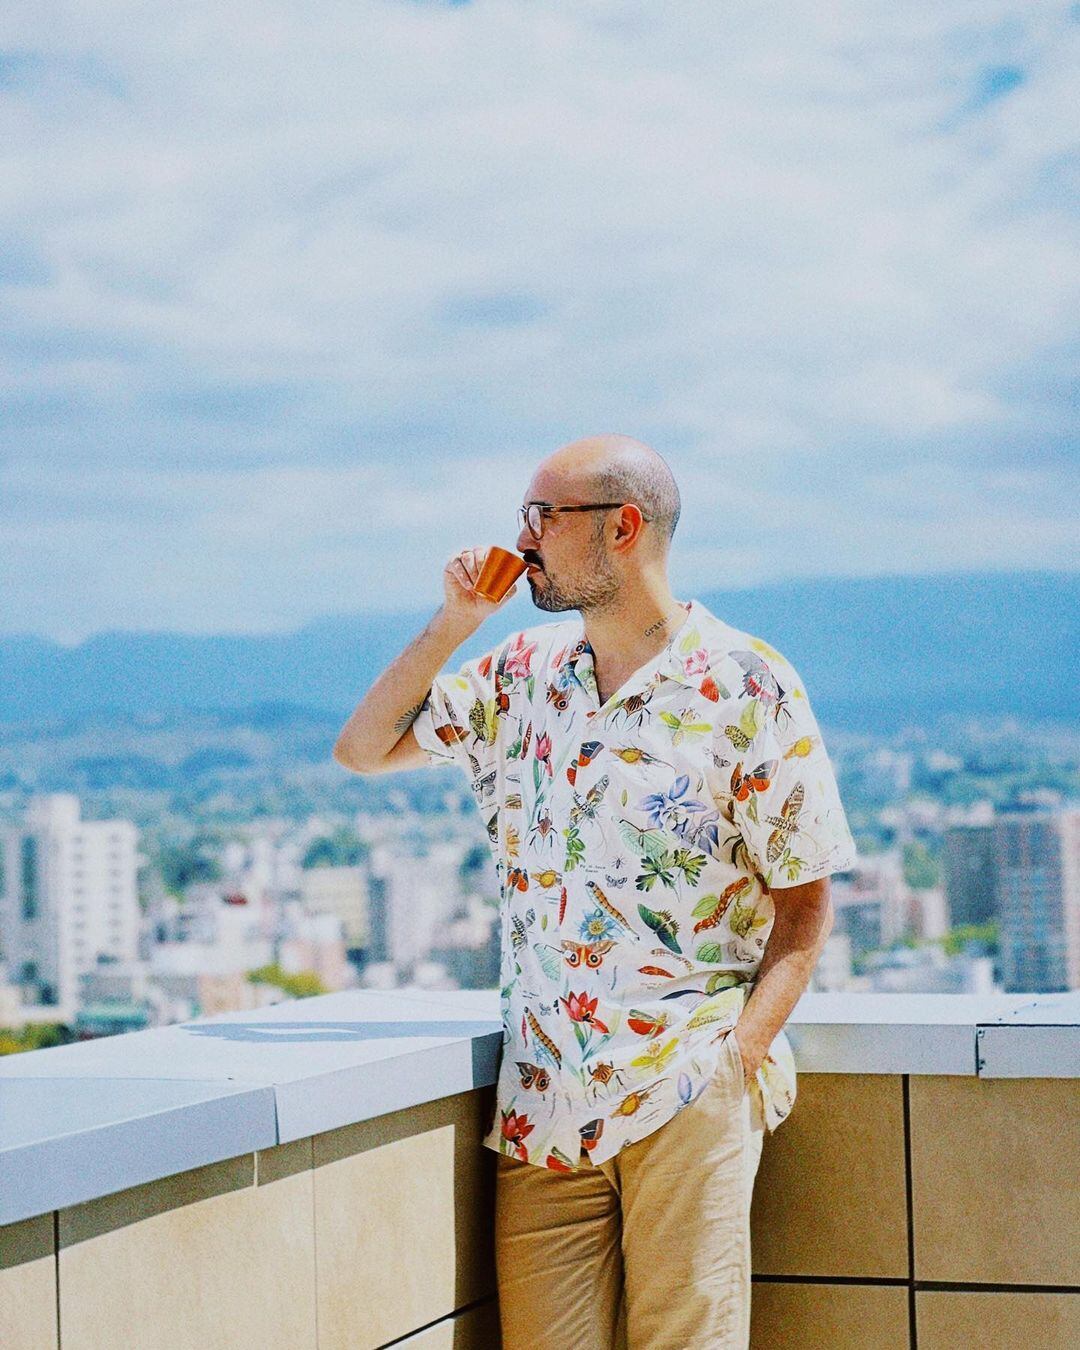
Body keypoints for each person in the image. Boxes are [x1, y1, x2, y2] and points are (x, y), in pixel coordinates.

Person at [333, 433, 858, 1349]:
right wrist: (456, 621)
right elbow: (364, 749)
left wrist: (733, 1062)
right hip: (543, 1100)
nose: (523, 538)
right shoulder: (524, 675)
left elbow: (804, 903)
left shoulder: (746, 683)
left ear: (622, 527)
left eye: (544, 516)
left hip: (684, 1092)